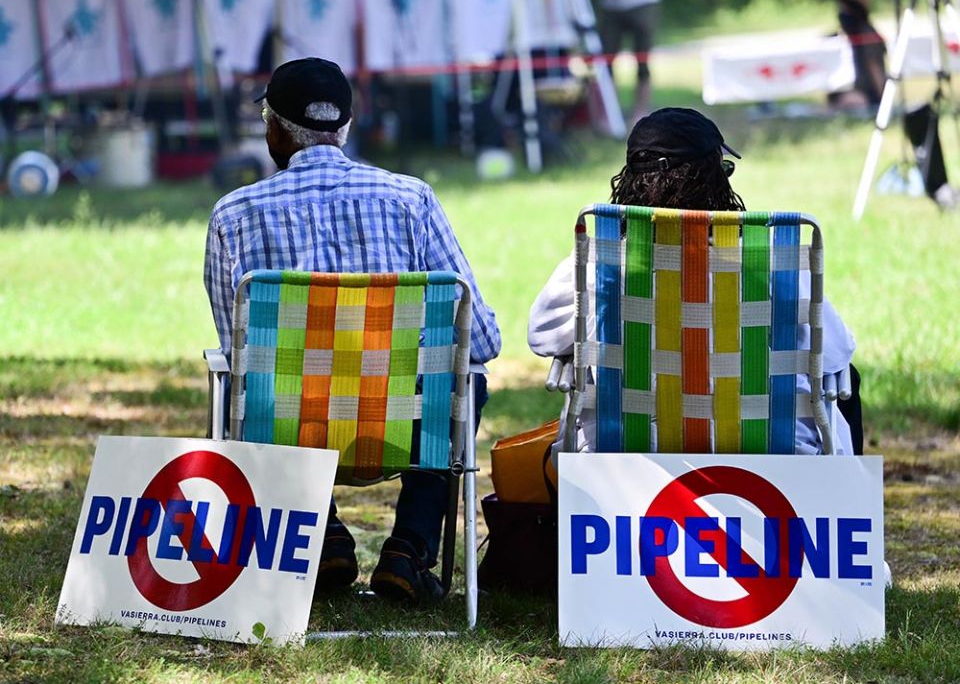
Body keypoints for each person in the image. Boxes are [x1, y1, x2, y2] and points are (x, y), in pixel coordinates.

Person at [204, 58, 502, 603]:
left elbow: (236, 351)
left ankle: (323, 534)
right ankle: (409, 549)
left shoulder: (233, 214)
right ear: (344, 124)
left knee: (243, 380)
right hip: (403, 432)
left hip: (291, 431)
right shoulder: (411, 199)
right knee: (464, 376)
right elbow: (480, 340)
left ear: (273, 127)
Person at [528, 107, 863, 455]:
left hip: (627, 450)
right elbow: (835, 353)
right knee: (846, 377)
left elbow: (541, 335)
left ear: (629, 181)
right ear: (714, 181)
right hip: (768, 447)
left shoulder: (600, 264)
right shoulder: (769, 262)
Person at [594, 0, 679, 121]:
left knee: (642, 60)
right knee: (605, 62)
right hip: (611, 4)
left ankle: (641, 112)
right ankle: (610, 113)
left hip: (643, 0)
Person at [829, 0, 887, 111]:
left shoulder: (866, 35)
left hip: (869, 94)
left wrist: (883, 100)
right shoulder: (853, 33)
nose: (842, 14)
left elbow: (875, 67)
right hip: (859, 89)